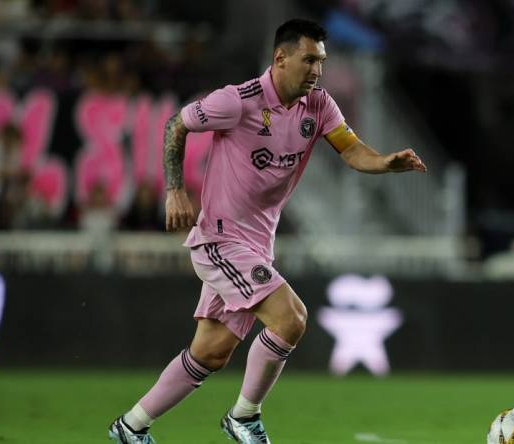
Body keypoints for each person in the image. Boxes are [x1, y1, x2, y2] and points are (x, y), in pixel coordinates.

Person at [108, 18, 426, 444]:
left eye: (322, 61)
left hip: (257, 247)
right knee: (291, 318)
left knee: (210, 353)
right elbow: (175, 125)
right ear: (281, 57)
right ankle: (244, 417)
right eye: (309, 59)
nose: (317, 69)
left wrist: (386, 162)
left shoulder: (319, 105)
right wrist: (174, 191)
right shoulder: (236, 102)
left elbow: (351, 151)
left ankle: (130, 427)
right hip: (220, 240)